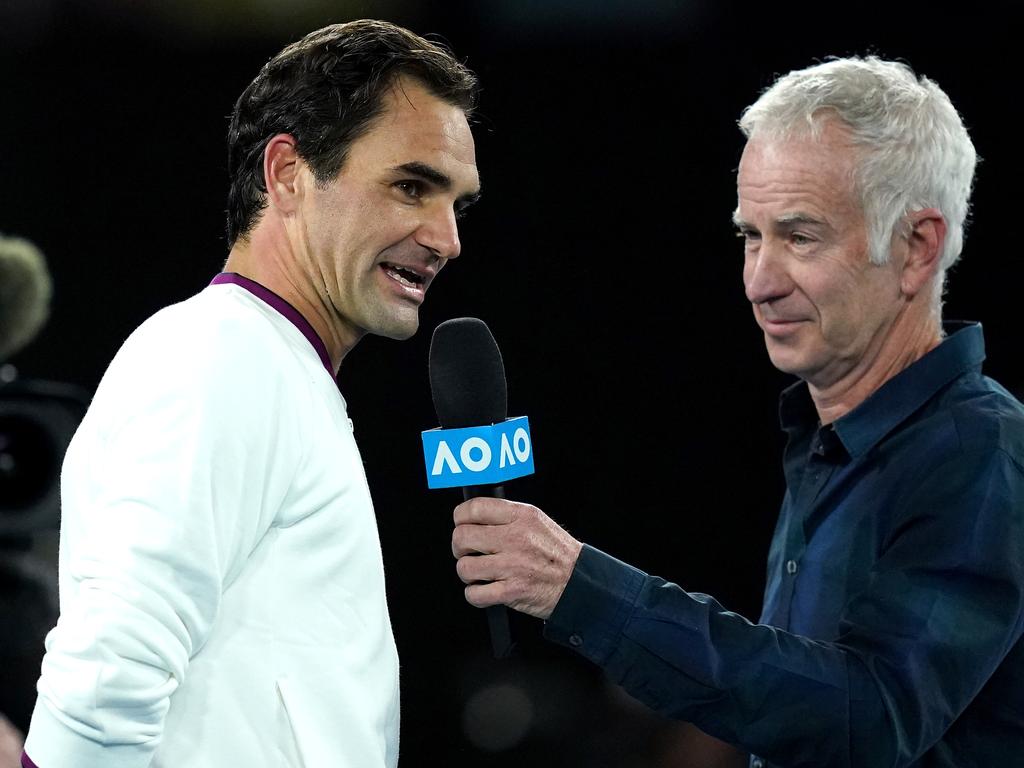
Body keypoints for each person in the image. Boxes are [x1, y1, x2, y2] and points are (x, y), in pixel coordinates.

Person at [452, 56, 1024, 767]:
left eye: (800, 236)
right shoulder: (830, 438)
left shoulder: (978, 451)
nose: (759, 282)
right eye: (750, 236)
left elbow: (870, 720)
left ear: (916, 248)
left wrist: (580, 589)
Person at [24, 19, 480, 768]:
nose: (446, 236)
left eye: (457, 202)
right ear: (287, 175)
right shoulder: (220, 358)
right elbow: (108, 680)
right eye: (410, 186)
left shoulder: (273, 366)